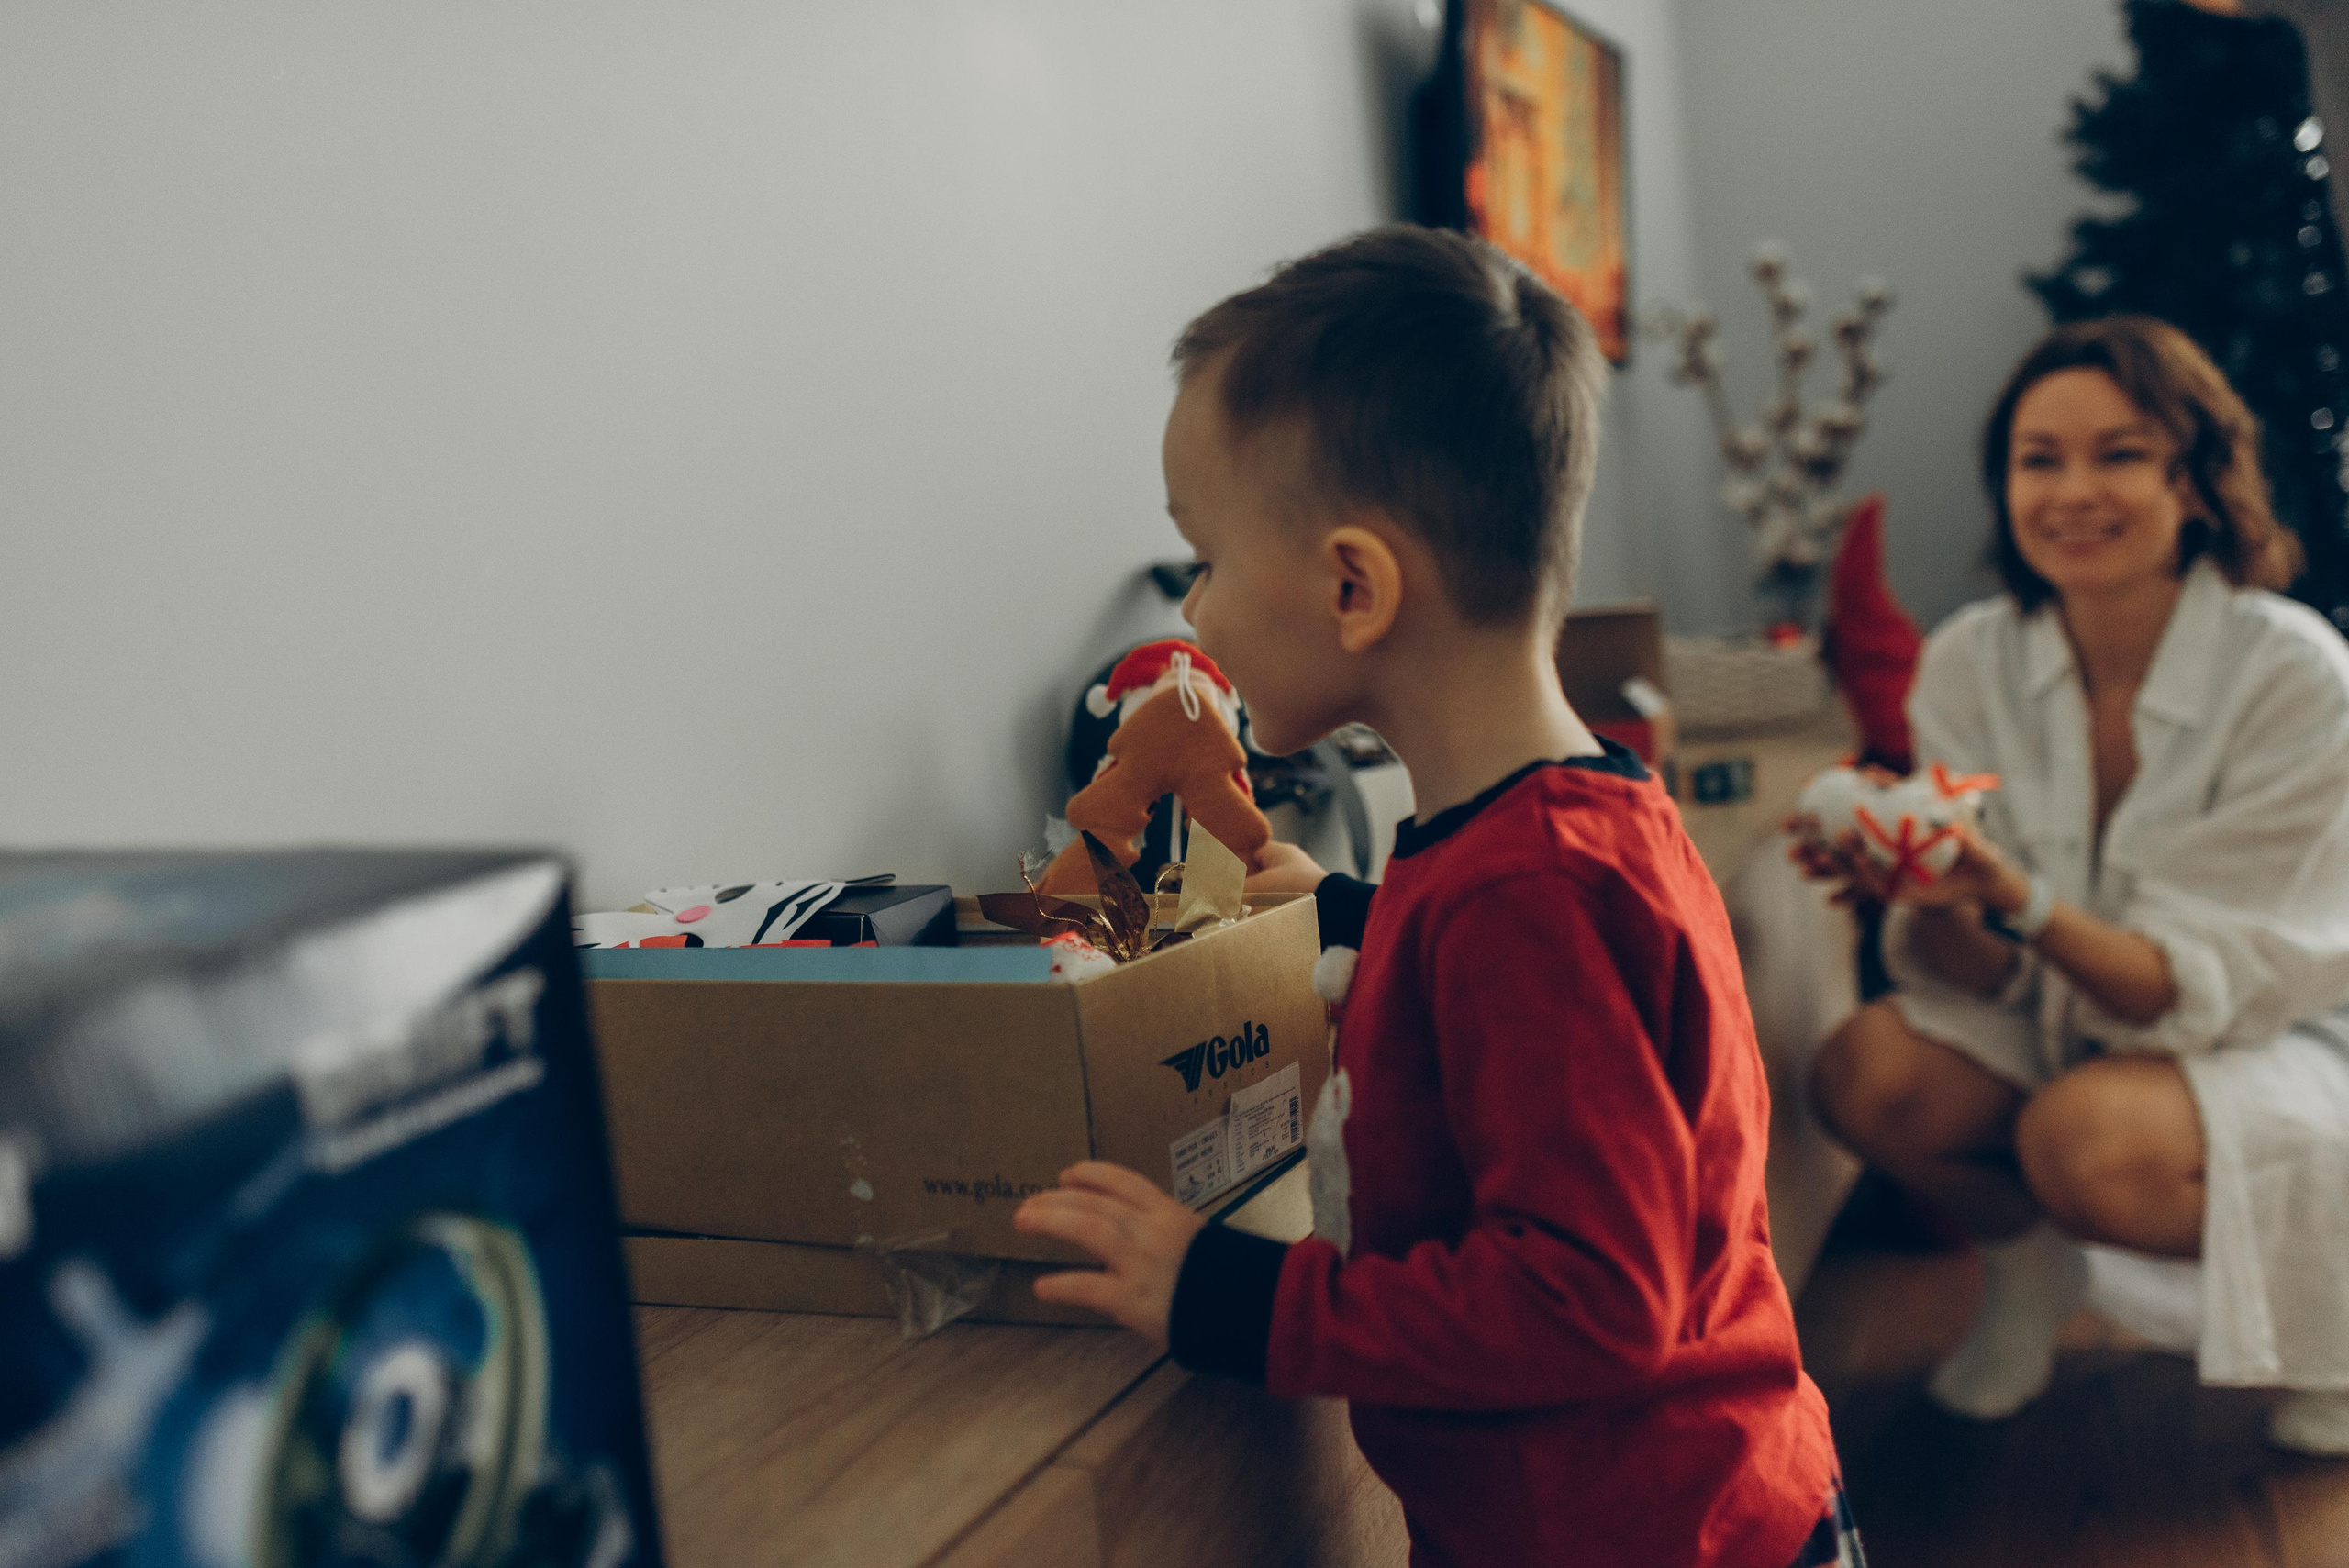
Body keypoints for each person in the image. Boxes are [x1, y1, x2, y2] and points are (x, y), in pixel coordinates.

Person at [1012, 226, 1854, 1568]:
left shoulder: (1533, 894)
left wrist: (1237, 1296)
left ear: (1354, 584)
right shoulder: (1557, 827)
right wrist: (1353, 913)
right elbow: (1530, 1023)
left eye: (1207, 565)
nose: (1199, 621)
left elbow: (1593, 1297)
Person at [1800, 316, 2349, 1453]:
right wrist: (1923, 893)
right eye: (2037, 459)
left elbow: (2178, 988)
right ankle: (2027, 1274)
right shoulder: (1970, 658)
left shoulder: (2297, 674)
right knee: (1865, 1072)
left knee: (2084, 1138)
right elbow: (1987, 973)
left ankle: (2336, 1325)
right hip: (2070, 1014)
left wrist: (2014, 892)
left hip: (2275, 1028)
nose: (2071, 490)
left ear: (2194, 482)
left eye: (2120, 453)